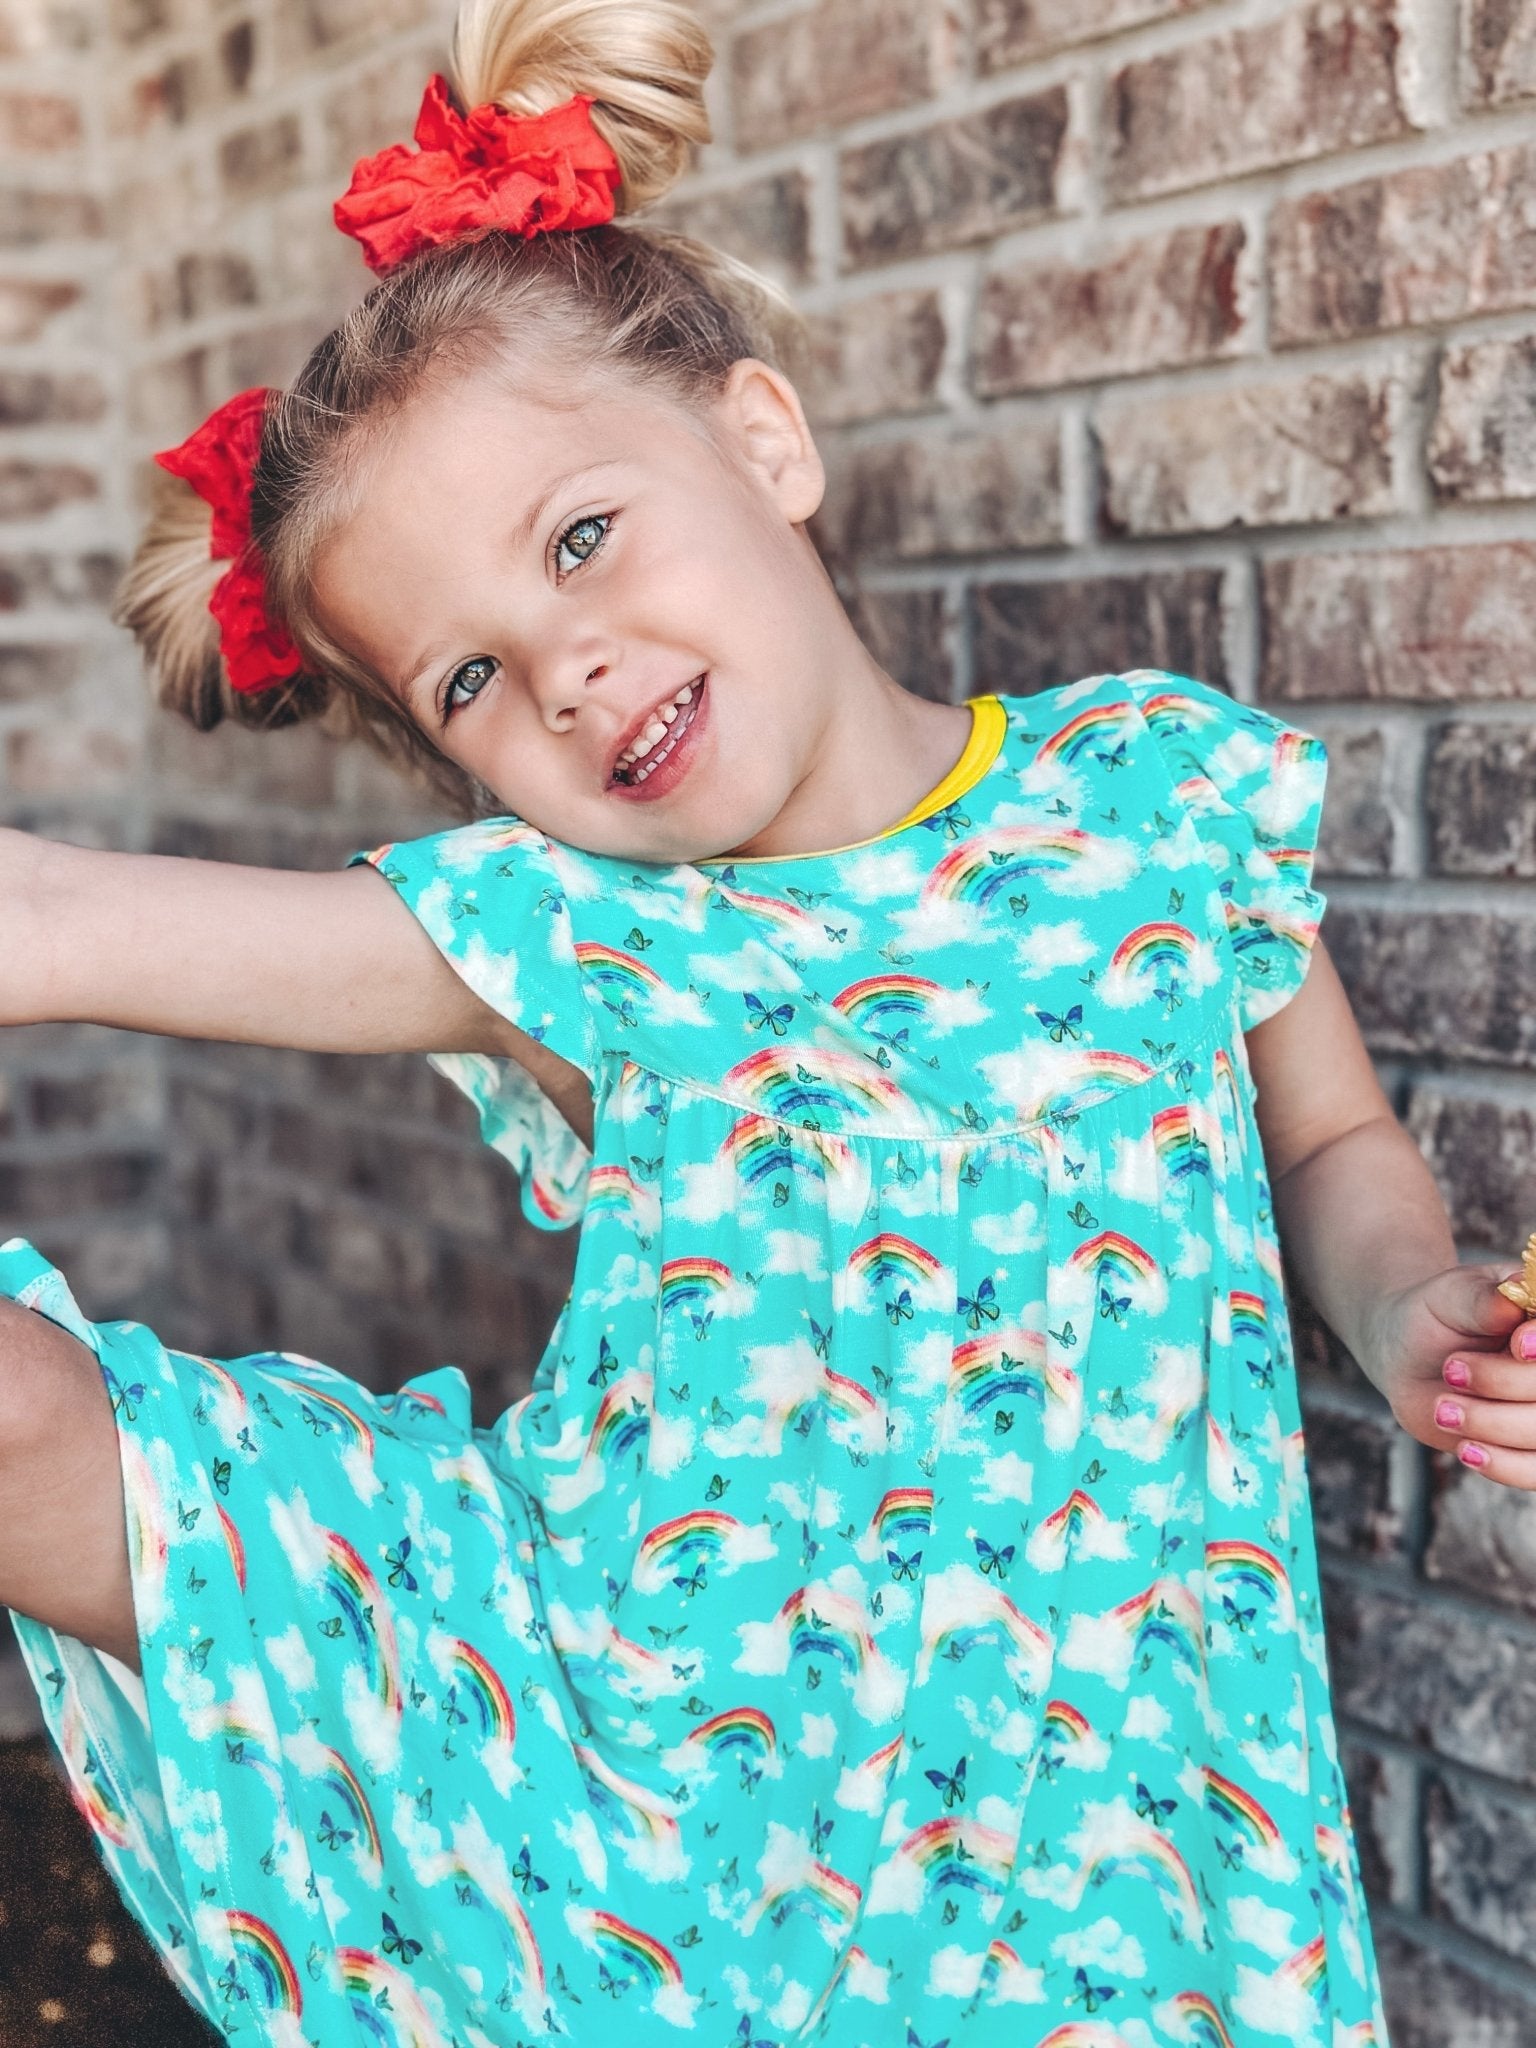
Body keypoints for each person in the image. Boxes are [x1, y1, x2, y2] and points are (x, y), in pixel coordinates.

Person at [0, 0, 1528, 2040]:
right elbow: (61, 914)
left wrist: (1413, 1306)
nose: (566, 669)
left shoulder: (1157, 794)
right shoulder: (579, 932)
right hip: (660, 1826)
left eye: (583, 537)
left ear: (762, 443)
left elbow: (1326, 1145)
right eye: (470, 680)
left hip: (1127, 1831)